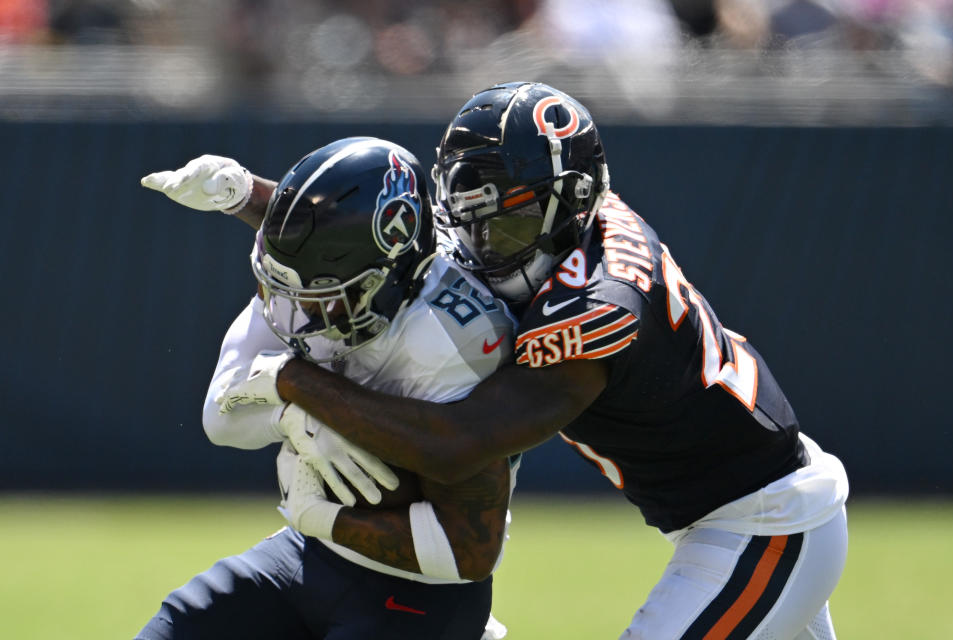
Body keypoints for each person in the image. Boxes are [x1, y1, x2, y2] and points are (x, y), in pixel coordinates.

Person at [176, 82, 850, 639]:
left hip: (762, 521)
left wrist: (296, 382)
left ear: (571, 205)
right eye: (466, 218)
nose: (477, 244)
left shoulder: (600, 303)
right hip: (724, 511)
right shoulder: (545, 225)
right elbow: (382, 241)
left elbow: (458, 445)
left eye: (504, 226)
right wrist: (250, 197)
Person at [137, 138, 516, 640]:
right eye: (291, 292)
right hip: (305, 556)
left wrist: (322, 515)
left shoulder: (456, 343)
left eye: (321, 296)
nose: (295, 314)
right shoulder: (307, 281)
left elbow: (467, 551)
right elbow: (221, 416)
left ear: (385, 278)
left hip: (422, 594)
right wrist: (291, 416)